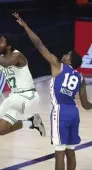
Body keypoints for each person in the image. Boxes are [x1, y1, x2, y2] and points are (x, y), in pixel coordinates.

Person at [13, 13, 92, 170]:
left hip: (60, 113)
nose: (64, 54)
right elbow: (85, 104)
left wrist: (25, 26)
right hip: (73, 114)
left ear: (70, 60)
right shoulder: (80, 78)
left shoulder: (57, 65)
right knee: (71, 151)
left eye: (67, 54)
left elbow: (38, 44)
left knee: (59, 152)